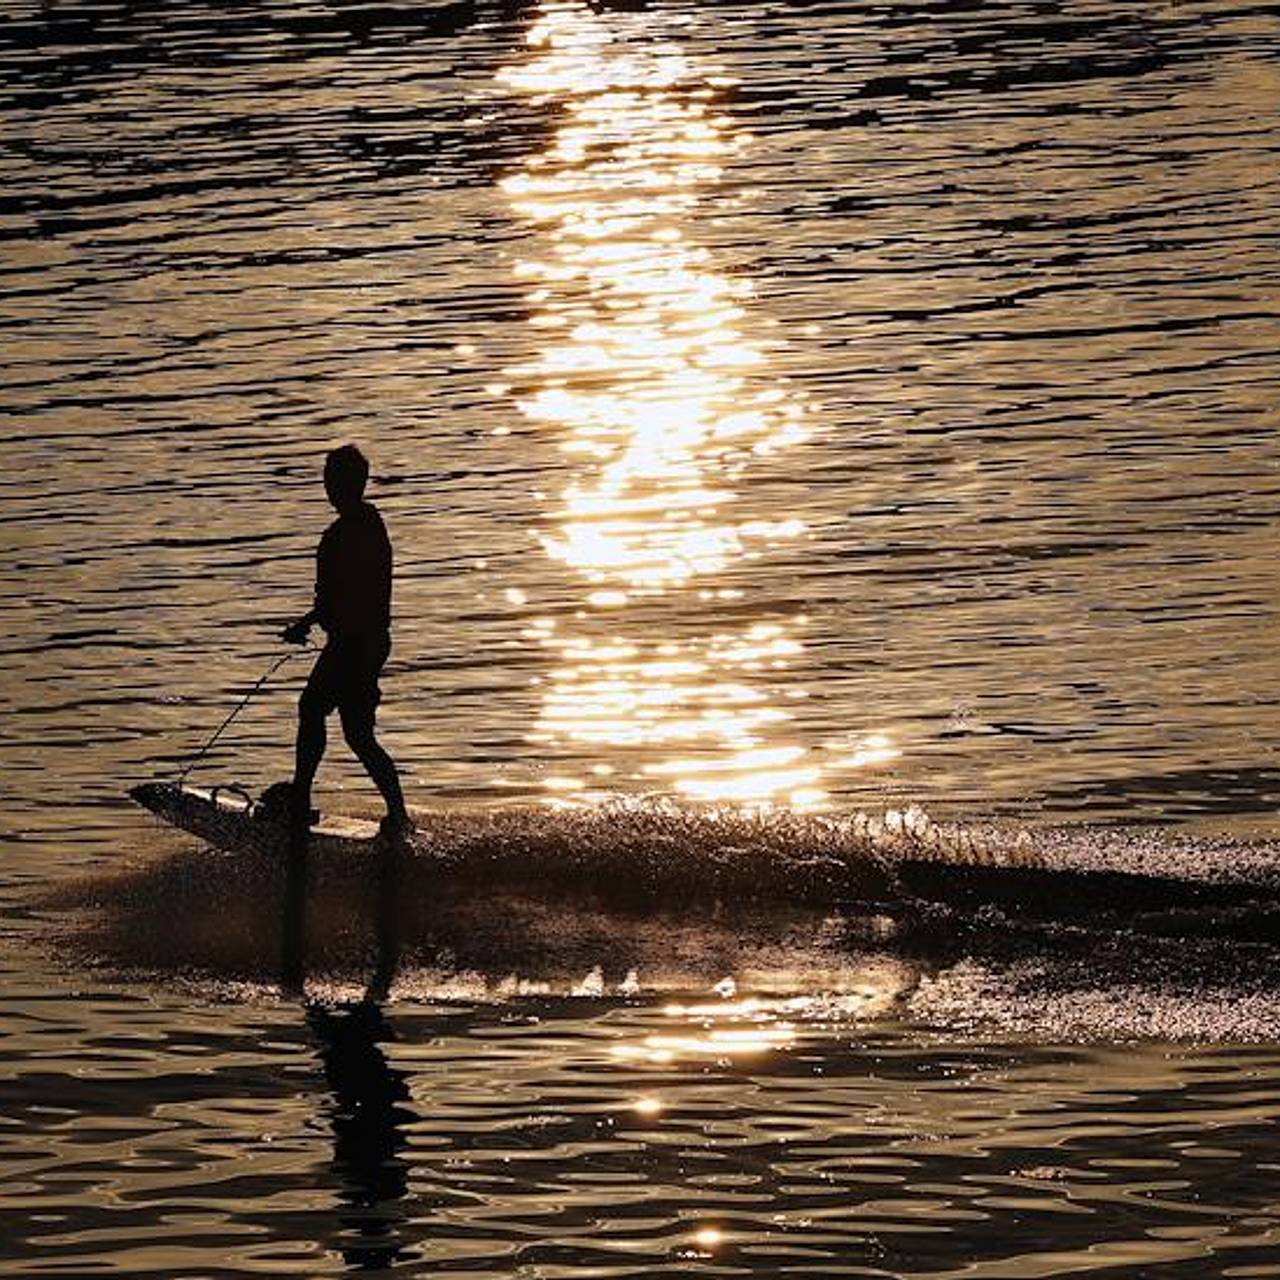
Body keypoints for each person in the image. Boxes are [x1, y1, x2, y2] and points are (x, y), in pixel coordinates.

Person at [282, 444, 410, 844]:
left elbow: (345, 595)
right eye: (327, 479)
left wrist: (314, 620)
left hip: (355, 645)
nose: (327, 487)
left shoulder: (353, 531)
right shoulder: (365, 525)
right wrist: (310, 620)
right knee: (356, 732)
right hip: (364, 643)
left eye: (332, 480)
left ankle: (300, 799)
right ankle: (397, 813)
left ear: (349, 484)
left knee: (312, 708)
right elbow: (335, 598)